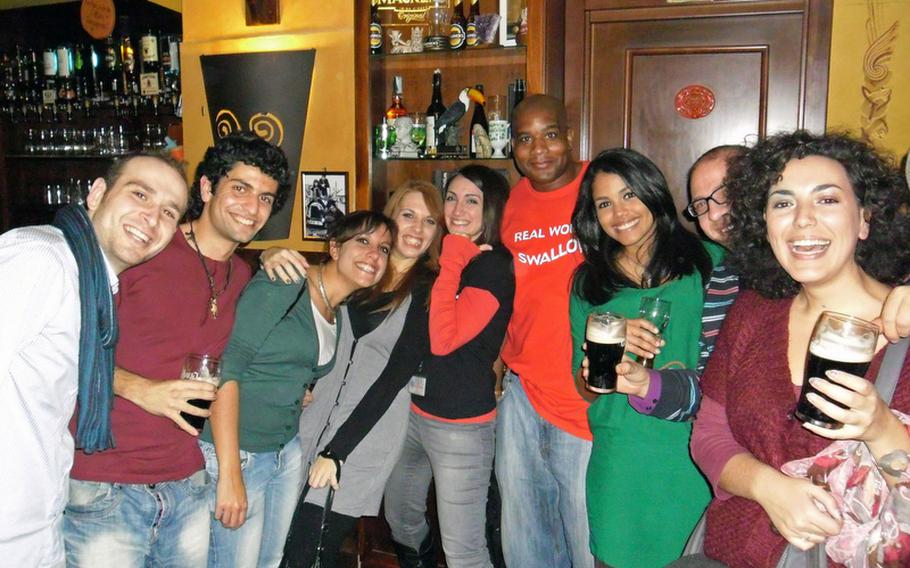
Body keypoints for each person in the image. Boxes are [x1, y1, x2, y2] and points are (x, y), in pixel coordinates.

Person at [64, 133, 291, 567]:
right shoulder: (144, 247)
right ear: (206, 189)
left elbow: (229, 374)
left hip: (185, 480)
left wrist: (230, 472)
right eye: (239, 189)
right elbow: (68, 343)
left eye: (265, 198)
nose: (251, 207)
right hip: (106, 479)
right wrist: (139, 388)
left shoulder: (243, 275)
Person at [690, 131, 910, 567]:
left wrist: (881, 427)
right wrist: (769, 488)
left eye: (827, 200)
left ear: (864, 219)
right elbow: (708, 436)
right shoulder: (753, 313)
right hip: (734, 552)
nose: (803, 220)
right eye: (783, 203)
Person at [0, 154, 188, 567]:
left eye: (169, 212)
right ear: (98, 193)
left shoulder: (93, 285)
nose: (151, 218)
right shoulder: (42, 259)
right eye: (140, 194)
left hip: (36, 520)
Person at [200, 211, 394, 568]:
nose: (374, 255)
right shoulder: (286, 282)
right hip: (239, 449)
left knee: (273, 561)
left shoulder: (340, 312)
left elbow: (289, 363)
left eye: (383, 248)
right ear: (334, 247)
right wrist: (230, 473)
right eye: (363, 242)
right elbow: (227, 368)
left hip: (286, 452)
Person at [277, 180, 443, 568]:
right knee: (292, 547)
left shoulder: (428, 291)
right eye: (408, 216)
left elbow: (392, 381)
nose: (417, 229)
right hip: (309, 424)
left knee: (311, 545)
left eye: (430, 221)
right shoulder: (361, 269)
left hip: (362, 437)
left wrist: (337, 451)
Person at [568, 148, 714, 567]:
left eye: (630, 194)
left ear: (653, 193)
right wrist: (604, 349)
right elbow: (587, 390)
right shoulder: (589, 284)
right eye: (604, 203)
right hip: (622, 456)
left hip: (693, 452)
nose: (620, 212)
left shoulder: (706, 262)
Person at [383, 166, 515, 568]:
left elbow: (443, 339)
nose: (457, 209)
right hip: (412, 413)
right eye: (452, 198)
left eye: (471, 200)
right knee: (401, 520)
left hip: (460, 425)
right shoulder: (447, 260)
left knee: (464, 553)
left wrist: (456, 256)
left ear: (490, 208)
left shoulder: (490, 265)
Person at [496, 94, 594, 568]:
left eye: (550, 135)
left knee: (584, 536)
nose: (538, 150)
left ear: (570, 136)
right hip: (521, 390)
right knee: (524, 537)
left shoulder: (603, 185)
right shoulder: (512, 201)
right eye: (525, 138)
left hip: (585, 395)